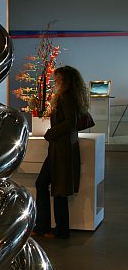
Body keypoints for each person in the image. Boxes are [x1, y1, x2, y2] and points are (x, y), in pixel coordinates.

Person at [34, 65, 89, 239]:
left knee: (56, 188)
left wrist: (50, 133)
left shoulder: (66, 97)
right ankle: (49, 228)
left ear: (65, 80)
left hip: (61, 148)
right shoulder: (71, 97)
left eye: (57, 78)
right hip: (62, 147)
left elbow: (70, 122)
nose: (54, 80)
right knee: (55, 187)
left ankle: (53, 229)